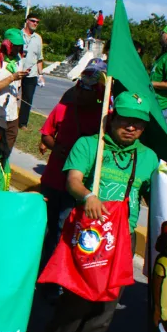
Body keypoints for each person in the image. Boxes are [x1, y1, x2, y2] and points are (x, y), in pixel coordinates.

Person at [38, 91, 160, 332]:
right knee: (79, 295)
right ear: (113, 117)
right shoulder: (90, 144)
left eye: (138, 123)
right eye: (126, 120)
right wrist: (88, 195)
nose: (131, 127)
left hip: (122, 238)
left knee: (107, 303)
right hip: (88, 235)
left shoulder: (148, 157)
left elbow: (154, 195)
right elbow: (73, 180)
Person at [36, 60, 106, 263]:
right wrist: (57, 146)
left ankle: (53, 274)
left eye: (89, 89)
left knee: (63, 230)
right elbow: (46, 135)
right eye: (80, 87)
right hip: (53, 179)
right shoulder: (63, 107)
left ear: (99, 92)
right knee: (44, 226)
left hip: (77, 187)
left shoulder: (103, 119)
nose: (82, 92)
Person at [19, 14, 44, 129]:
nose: (35, 24)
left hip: (31, 73)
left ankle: (22, 123)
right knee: (12, 95)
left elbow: (39, 58)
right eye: (33, 21)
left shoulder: (38, 38)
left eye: (37, 22)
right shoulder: (19, 34)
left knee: (27, 99)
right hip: (18, 71)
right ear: (27, 21)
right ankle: (9, 118)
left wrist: (41, 74)